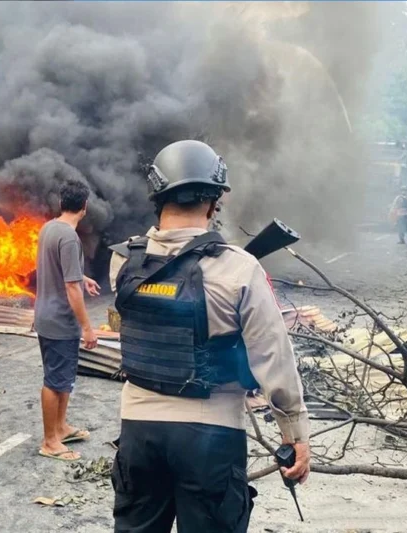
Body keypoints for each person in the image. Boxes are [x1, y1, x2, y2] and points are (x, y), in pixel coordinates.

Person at [108, 140, 310, 533]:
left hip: (138, 430)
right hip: (211, 434)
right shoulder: (240, 267)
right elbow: (274, 359)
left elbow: (128, 326)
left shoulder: (124, 259)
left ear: (157, 194)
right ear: (214, 201)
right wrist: (295, 435)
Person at [34, 179, 101, 462]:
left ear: (62, 204)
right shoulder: (70, 237)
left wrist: (81, 277)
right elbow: (70, 289)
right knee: (55, 379)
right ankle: (50, 441)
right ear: (84, 207)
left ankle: (61, 428)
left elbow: (59, 269)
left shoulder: (49, 228)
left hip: (46, 315)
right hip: (60, 321)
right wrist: (88, 327)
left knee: (63, 377)